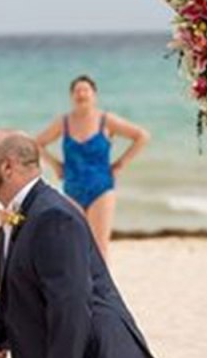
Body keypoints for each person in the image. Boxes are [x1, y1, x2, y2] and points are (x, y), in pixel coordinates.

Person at [0, 129, 162, 358]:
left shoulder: (52, 216)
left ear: (7, 167)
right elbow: (11, 293)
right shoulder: (16, 216)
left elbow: (71, 303)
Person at [35, 75, 150, 257]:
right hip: (72, 189)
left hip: (101, 189)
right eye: (77, 91)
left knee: (99, 247)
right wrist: (55, 165)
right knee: (74, 245)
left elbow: (142, 136)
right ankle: (79, 285)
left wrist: (121, 164)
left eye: (85, 90)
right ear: (71, 96)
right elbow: (37, 144)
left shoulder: (106, 120)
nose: (81, 94)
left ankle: (100, 286)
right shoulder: (63, 122)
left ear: (94, 95)